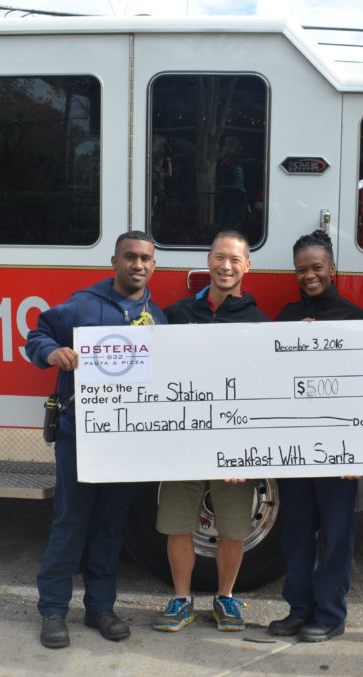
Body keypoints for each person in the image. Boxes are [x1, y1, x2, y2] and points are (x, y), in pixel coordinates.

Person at [25, 231, 167, 650]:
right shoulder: (83, 305)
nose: (137, 265)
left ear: (153, 266)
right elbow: (38, 336)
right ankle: (53, 610)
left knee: (110, 525)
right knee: (72, 521)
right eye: (129, 258)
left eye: (145, 259)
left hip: (128, 444)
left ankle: (100, 608)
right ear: (114, 262)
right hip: (80, 439)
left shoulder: (157, 317)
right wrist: (52, 353)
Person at [152, 229, 268, 633]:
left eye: (235, 259)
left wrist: (248, 448)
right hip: (185, 442)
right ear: (208, 261)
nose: (226, 266)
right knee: (178, 524)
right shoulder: (179, 313)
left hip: (234, 446)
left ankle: (226, 599)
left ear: (247, 266)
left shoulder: (259, 322)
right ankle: (181, 599)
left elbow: (265, 391)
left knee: (234, 528)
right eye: (220, 257)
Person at [268, 229, 363, 643]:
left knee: (337, 533)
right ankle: (299, 608)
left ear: (333, 269)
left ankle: (330, 614)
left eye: (317, 267)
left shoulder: (355, 319)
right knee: (296, 530)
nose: (309, 275)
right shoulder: (287, 317)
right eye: (301, 269)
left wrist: (357, 452)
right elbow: (268, 379)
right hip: (294, 446)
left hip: (338, 450)